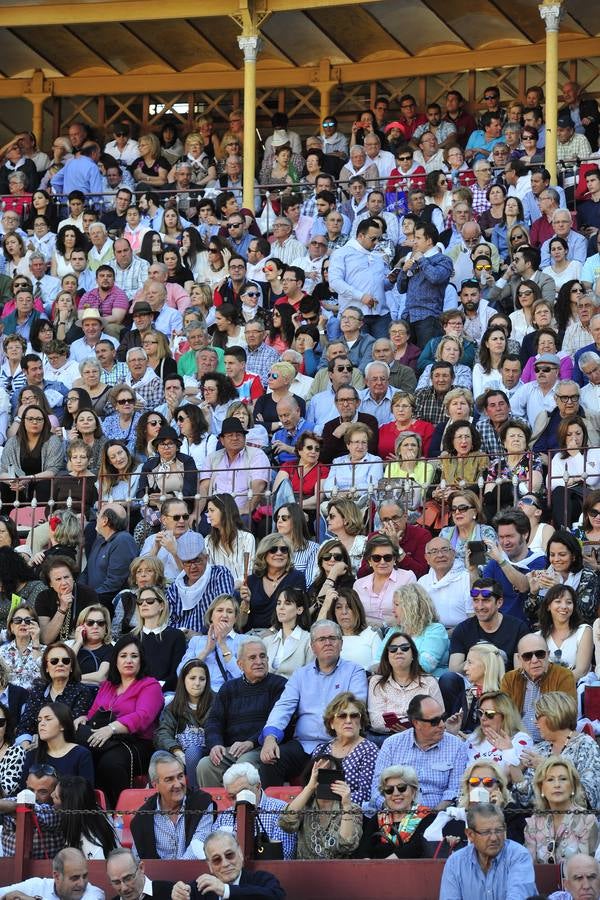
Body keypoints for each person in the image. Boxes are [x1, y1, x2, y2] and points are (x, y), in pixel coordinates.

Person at [259, 620, 367, 787]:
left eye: (333, 638)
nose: (328, 643)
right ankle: (275, 812)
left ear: (341, 643)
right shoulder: (300, 675)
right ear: (312, 646)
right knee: (270, 761)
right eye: (321, 639)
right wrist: (270, 737)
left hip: (339, 745)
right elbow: (283, 707)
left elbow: (355, 709)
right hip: (304, 745)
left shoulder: (354, 671)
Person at [74, 635, 164, 806]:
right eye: (123, 656)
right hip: (105, 739)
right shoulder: (108, 685)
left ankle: (122, 813)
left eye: (134, 656)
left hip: (136, 743)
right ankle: (87, 809)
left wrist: (111, 728)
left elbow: (143, 717)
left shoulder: (150, 685)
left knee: (110, 763)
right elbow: (94, 713)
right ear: (115, 660)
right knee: (80, 752)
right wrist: (84, 718)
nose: (128, 660)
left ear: (141, 660)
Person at [197, 638, 286, 787]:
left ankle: (244, 809)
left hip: (262, 748)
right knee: (205, 765)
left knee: (243, 766)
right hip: (232, 750)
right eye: (252, 657)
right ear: (240, 664)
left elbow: (278, 722)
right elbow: (214, 721)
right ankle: (214, 809)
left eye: (262, 656)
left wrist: (251, 742)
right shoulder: (228, 688)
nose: (259, 661)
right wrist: (215, 744)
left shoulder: (279, 685)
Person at [372, 694, 468, 810]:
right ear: (416, 723)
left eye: (443, 717)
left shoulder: (456, 746)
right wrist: (395, 811)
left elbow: (455, 790)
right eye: (434, 721)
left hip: (437, 816)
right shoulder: (392, 744)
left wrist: (433, 817)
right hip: (395, 813)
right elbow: (378, 788)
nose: (442, 724)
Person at [513, 691, 600, 811]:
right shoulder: (540, 749)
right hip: (542, 821)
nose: (534, 722)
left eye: (538, 717)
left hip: (577, 822)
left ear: (553, 716)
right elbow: (525, 800)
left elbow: (589, 795)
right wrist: (514, 762)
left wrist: (546, 767)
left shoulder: (585, 745)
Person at [439, 802, 536, 900]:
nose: (494, 838)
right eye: (486, 832)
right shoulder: (455, 863)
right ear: (470, 834)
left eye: (499, 830)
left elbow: (518, 897)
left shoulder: (518, 856)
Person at [130, 750, 214, 860]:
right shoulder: (142, 818)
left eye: (180, 776)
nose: (178, 784)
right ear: (155, 785)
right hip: (157, 876)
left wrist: (177, 875)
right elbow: (137, 858)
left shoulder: (202, 802)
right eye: (169, 779)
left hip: (196, 875)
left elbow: (198, 846)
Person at [277, 753, 362, 860]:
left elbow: (347, 845)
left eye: (331, 774)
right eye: (322, 775)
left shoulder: (352, 808)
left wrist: (346, 805)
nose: (326, 780)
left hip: (339, 872)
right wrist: (310, 787)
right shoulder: (304, 806)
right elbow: (285, 823)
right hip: (307, 872)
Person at [368, 630, 443, 739]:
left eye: (404, 648)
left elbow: (438, 717)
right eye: (393, 649)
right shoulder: (377, 682)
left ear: (413, 655)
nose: (398, 651)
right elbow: (376, 720)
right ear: (387, 657)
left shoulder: (429, 682)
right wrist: (406, 725)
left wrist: (412, 729)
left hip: (423, 737)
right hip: (386, 737)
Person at [501, 636, 576, 742]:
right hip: (515, 742)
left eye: (540, 654)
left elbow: (566, 718)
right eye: (527, 656)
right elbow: (504, 717)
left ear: (548, 654)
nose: (534, 660)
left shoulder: (563, 675)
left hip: (549, 742)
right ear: (519, 659)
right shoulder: (509, 679)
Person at [16, 642, 92, 747]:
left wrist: (42, 743)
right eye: (54, 661)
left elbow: (71, 728)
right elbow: (25, 725)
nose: (60, 664)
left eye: (65, 661)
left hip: (65, 748)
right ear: (46, 668)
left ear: (71, 667)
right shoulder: (38, 691)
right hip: (33, 747)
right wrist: (25, 746)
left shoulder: (82, 691)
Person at [171, 831, 286, 900]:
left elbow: (276, 896)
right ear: (210, 865)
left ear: (240, 854)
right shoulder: (201, 888)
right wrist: (178, 894)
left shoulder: (261, 879)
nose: (225, 864)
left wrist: (226, 890)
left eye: (229, 855)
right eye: (217, 860)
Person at [524, 756, 597, 864]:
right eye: (550, 780)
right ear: (541, 788)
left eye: (563, 779)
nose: (557, 785)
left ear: (573, 787)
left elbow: (588, 867)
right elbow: (529, 868)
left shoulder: (587, 820)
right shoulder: (533, 823)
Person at [356, 764, 436, 860]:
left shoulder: (428, 817)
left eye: (402, 788)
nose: (396, 793)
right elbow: (363, 851)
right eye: (389, 790)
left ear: (413, 791)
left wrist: (385, 866)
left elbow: (415, 848)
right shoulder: (378, 818)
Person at [238, 534, 306, 633]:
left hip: (282, 634)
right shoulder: (252, 580)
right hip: (252, 636)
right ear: (264, 554)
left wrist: (272, 631)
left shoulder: (296, 578)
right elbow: (240, 624)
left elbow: (297, 615)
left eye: (284, 550)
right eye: (273, 549)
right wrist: (246, 603)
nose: (279, 553)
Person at [78, 503, 137, 611]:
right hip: (92, 601)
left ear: (105, 521)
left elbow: (114, 583)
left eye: (98, 514)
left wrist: (89, 598)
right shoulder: (99, 540)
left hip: (107, 606)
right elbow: (86, 572)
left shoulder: (123, 540)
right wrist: (78, 592)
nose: (96, 517)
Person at [353, 535, 417, 629]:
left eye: (387, 557)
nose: (382, 562)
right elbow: (355, 615)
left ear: (394, 559)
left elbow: (411, 613)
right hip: (366, 634)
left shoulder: (407, 578)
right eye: (376, 558)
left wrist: (383, 625)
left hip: (399, 632)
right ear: (369, 560)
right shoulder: (359, 584)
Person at [465, 689, 533, 773]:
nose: (483, 718)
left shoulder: (521, 739)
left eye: (489, 714)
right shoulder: (475, 737)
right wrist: (452, 733)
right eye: (480, 712)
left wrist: (507, 751)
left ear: (505, 716)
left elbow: (512, 776)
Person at [0, 847, 104, 900]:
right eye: (75, 878)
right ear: (57, 876)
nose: (82, 883)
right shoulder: (36, 885)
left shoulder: (94, 893)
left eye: (85, 876)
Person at [536, 584, 593, 679]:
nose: (564, 606)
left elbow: (581, 671)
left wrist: (557, 685)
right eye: (558, 601)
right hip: (544, 690)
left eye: (569, 602)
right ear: (548, 606)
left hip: (575, 689)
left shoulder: (584, 631)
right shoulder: (538, 637)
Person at [418, 538, 472, 630]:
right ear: (427, 558)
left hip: (462, 633)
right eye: (434, 551)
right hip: (430, 634)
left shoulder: (467, 578)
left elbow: (473, 619)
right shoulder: (422, 582)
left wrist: (446, 635)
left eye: (444, 550)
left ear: (454, 554)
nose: (440, 555)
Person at [263, 588, 313, 680]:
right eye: (279, 603)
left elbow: (310, 677)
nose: (281, 607)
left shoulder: (308, 640)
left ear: (299, 610)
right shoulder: (267, 641)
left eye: (287, 603)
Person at [106, 848, 174, 900]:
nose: (124, 888)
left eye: (128, 878)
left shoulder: (171, 893)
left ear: (141, 868)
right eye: (116, 882)